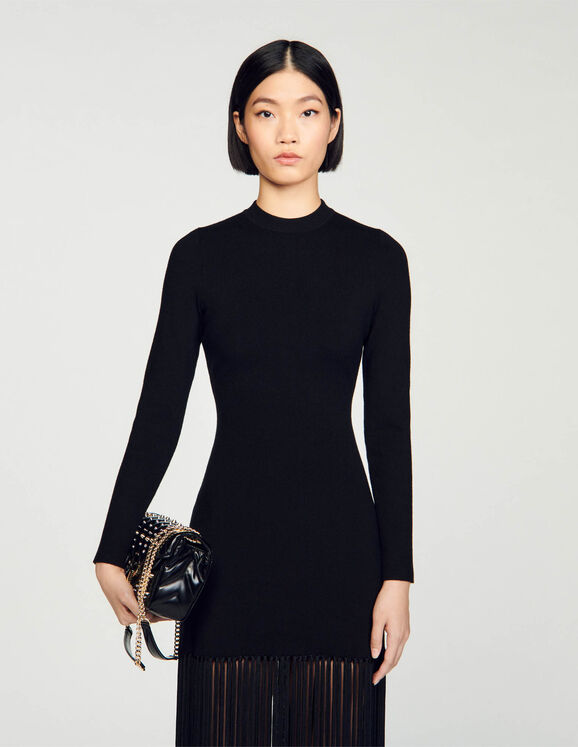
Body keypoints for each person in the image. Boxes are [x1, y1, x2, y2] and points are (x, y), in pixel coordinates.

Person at [93, 38, 414, 747]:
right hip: (228, 554)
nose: (288, 131)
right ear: (240, 125)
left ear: (334, 123)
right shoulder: (199, 257)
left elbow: (389, 427)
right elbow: (160, 410)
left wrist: (399, 576)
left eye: (308, 111)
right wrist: (111, 544)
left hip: (342, 557)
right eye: (267, 112)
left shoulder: (378, 260)